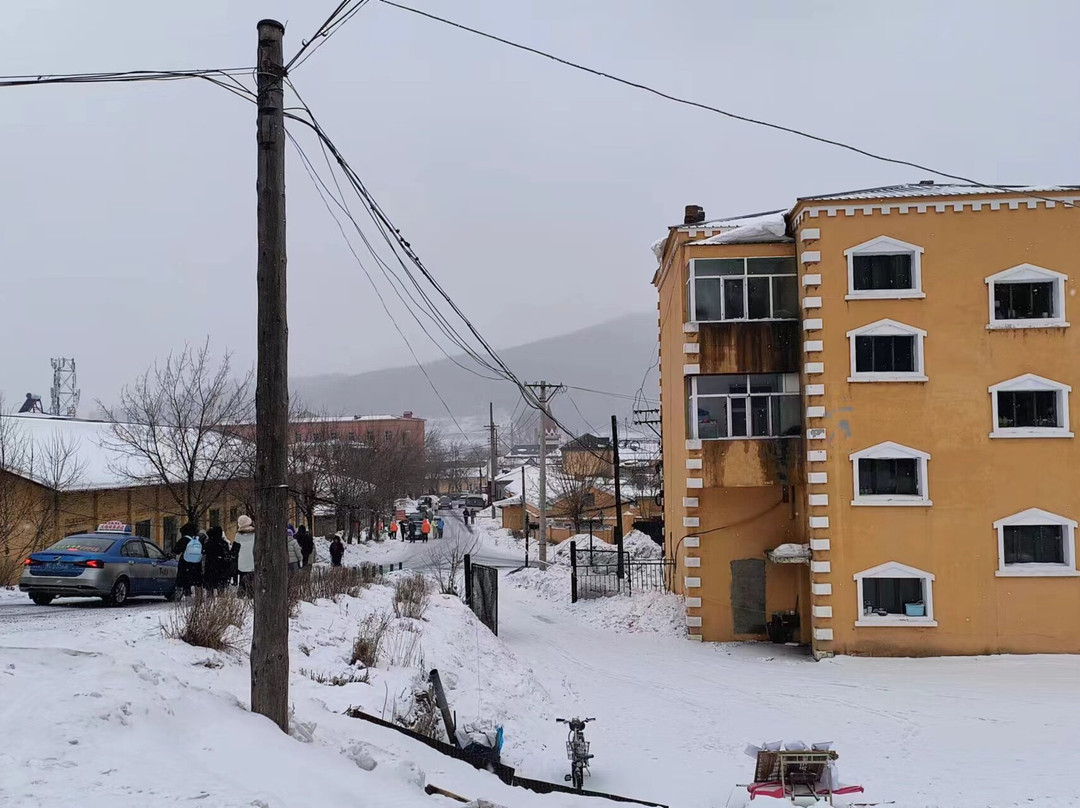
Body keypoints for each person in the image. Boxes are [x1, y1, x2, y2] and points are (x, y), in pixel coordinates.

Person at [175, 523, 203, 596]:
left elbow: (176, 550)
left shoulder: (184, 540)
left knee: (185, 581)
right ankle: (199, 598)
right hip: (196, 564)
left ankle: (187, 596)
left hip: (185, 563)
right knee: (196, 581)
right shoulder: (198, 539)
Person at [204, 525, 231, 590]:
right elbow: (227, 554)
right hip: (221, 567)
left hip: (210, 566)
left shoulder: (209, 543)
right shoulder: (224, 543)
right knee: (221, 586)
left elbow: (204, 552)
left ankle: (210, 598)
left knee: (210, 586)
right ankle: (221, 598)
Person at [234, 515, 256, 595]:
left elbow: (234, 550)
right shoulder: (255, 534)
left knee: (242, 580)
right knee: (253, 580)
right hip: (253, 560)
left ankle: (241, 594)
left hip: (242, 562)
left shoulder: (238, 536)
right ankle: (251, 594)